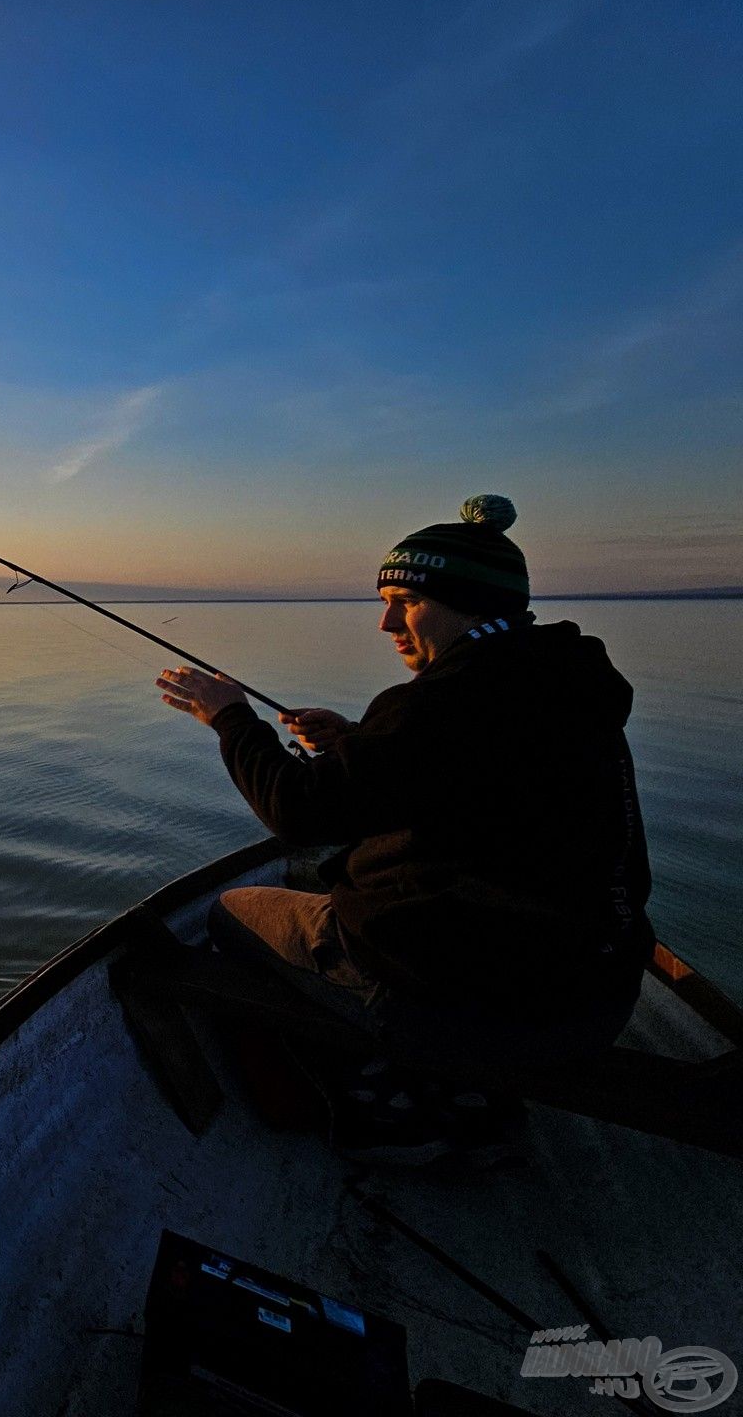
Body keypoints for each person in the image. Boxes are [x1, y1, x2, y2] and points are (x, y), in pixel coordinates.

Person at [153, 495, 652, 1162]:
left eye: (407, 602)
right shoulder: (560, 676)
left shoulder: (445, 701)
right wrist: (358, 742)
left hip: (488, 1015)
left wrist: (231, 720)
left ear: (470, 603)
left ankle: (386, 1093)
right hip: (595, 998)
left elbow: (296, 814)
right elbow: (477, 776)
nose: (387, 622)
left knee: (230, 913)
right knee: (338, 876)